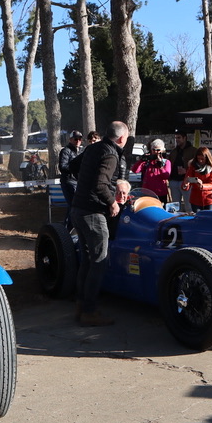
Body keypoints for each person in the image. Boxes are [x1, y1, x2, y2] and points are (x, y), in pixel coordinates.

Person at [71, 120, 129, 327]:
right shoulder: (111, 154)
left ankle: (81, 305)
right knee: (99, 261)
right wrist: (112, 202)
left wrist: (84, 187)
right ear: (122, 138)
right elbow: (100, 184)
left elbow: (72, 166)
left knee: (87, 261)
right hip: (93, 212)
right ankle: (89, 311)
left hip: (78, 208)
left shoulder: (93, 147)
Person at [167, 131, 197, 211]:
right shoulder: (173, 152)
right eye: (176, 138)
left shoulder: (193, 151)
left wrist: (186, 171)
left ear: (185, 138)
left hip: (187, 181)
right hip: (174, 181)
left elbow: (197, 167)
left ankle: (190, 222)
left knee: (189, 206)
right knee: (175, 207)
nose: (177, 140)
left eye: (179, 137)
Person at [182, 147, 212, 211]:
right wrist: (185, 184)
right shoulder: (193, 166)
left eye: (202, 159)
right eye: (198, 158)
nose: (200, 161)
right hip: (195, 200)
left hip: (209, 200)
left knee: (210, 218)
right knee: (198, 219)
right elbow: (186, 182)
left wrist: (202, 186)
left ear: (207, 158)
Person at [57, 130, 83, 204]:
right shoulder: (65, 151)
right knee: (74, 205)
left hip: (79, 182)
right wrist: (76, 169)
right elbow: (62, 167)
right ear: (70, 139)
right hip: (69, 182)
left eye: (80, 139)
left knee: (77, 206)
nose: (78, 141)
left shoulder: (82, 151)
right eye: (75, 139)